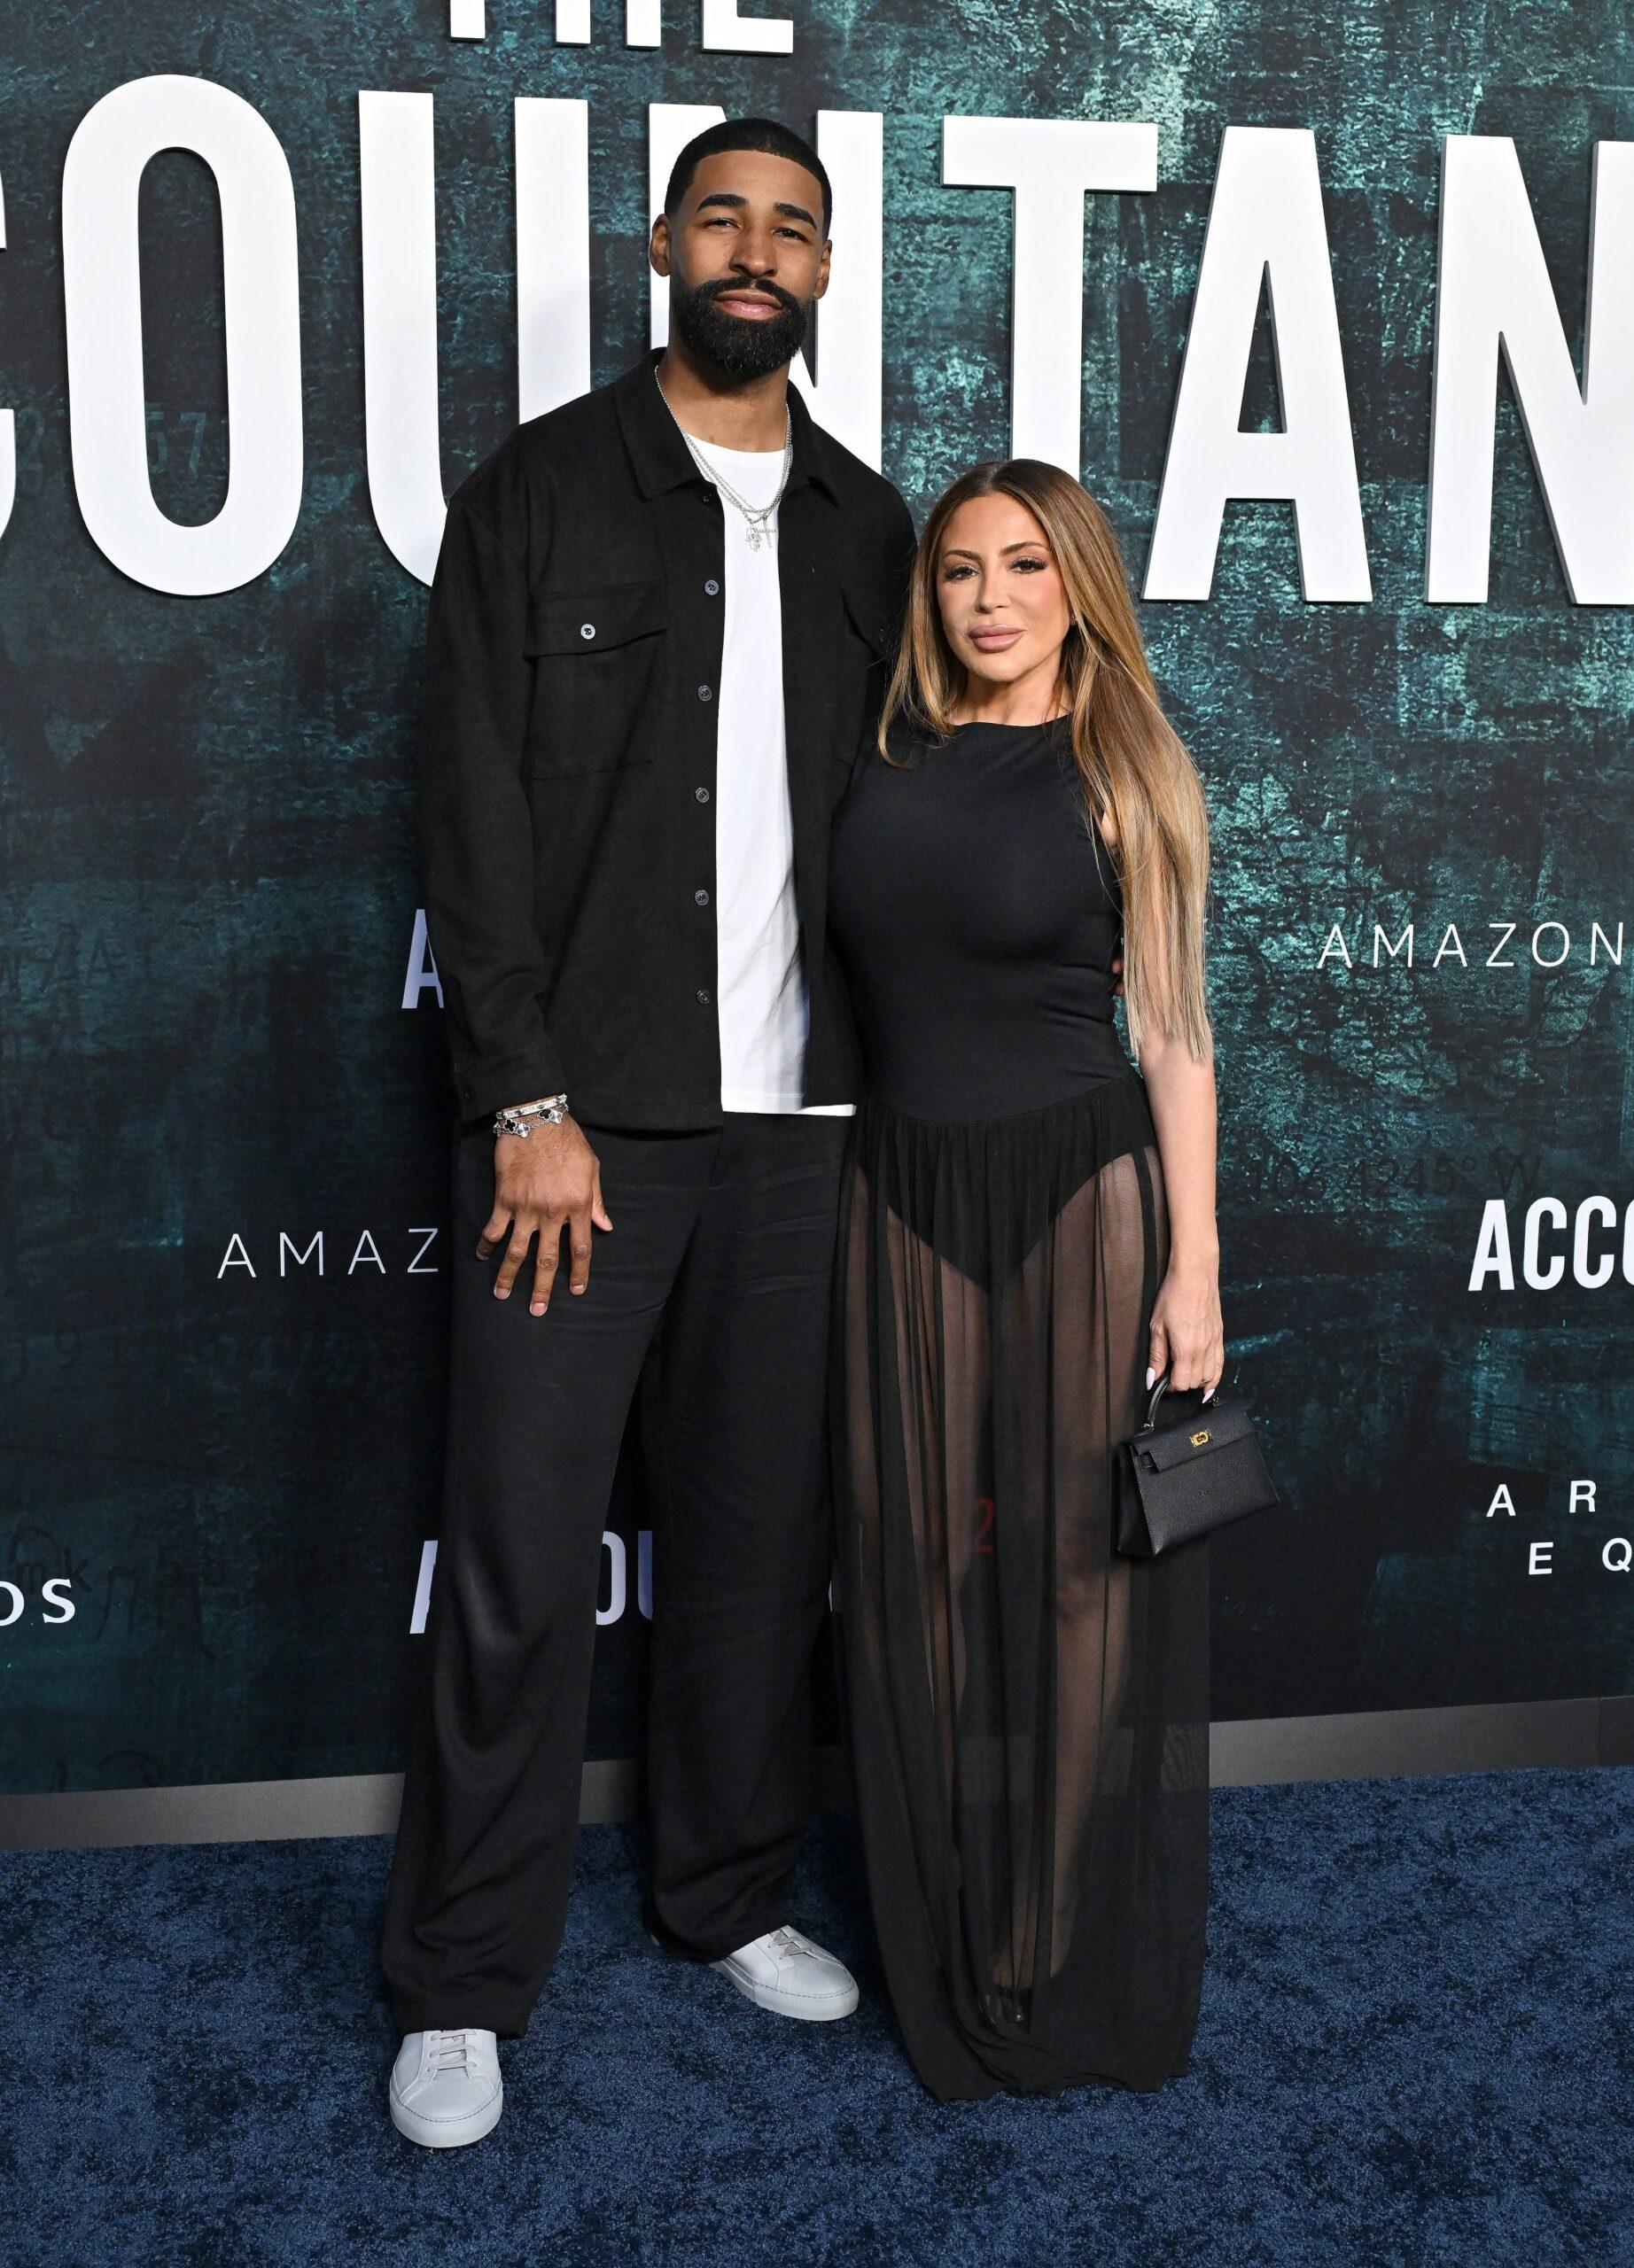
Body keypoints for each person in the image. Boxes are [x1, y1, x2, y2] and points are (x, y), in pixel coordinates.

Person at [381, 116, 916, 2148]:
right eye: (724, 217)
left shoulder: (875, 532)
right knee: (518, 1558)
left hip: (808, 1135)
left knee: (757, 1554)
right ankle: (459, 1975)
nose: (755, 250)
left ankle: (724, 1894)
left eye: (792, 225)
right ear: (663, 245)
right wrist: (523, 1094)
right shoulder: (539, 492)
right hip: (575, 1134)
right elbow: (470, 820)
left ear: (825, 268)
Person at [826, 458, 1221, 2101]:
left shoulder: (1121, 761)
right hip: (903, 1182)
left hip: (1080, 1182)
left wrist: (1197, 1268)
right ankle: (931, 1913)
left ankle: (1043, 1924)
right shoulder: (880, 755)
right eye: (961, 572)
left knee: (1072, 1573)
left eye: (1024, 570)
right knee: (910, 1572)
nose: (988, 600)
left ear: (1078, 590)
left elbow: (1176, 1032)